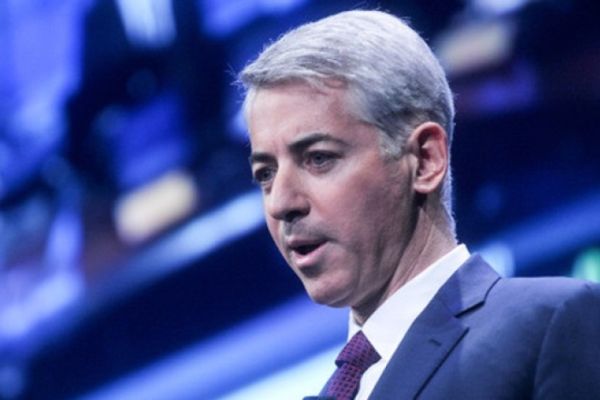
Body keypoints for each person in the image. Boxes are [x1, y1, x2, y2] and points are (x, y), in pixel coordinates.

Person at [238, 9, 600, 400]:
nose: (281, 203)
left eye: (319, 158)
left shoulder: (550, 323)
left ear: (425, 160)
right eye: (265, 174)